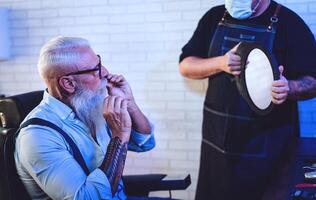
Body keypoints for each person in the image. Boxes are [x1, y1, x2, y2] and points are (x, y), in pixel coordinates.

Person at [179, 0, 316, 199]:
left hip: (270, 150)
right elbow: (186, 66)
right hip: (218, 147)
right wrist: (221, 62)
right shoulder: (215, 17)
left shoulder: (289, 23)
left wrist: (290, 87)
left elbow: (312, 81)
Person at [14, 36, 155, 199]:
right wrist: (119, 136)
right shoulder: (37, 136)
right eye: (96, 69)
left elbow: (145, 143)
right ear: (68, 84)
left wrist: (129, 103)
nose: (106, 73)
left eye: (100, 63)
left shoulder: (90, 106)